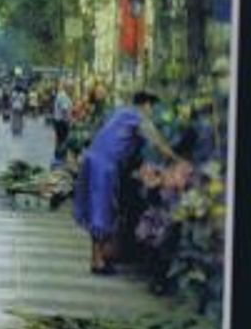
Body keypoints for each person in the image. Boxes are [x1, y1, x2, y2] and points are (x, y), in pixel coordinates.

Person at [73, 91, 186, 274]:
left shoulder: (121, 112)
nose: (153, 112)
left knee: (99, 210)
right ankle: (97, 261)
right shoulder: (136, 115)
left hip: (94, 161)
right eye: (153, 108)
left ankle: (99, 257)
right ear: (147, 104)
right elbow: (157, 141)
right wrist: (178, 159)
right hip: (104, 165)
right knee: (101, 210)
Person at [51, 83, 73, 165]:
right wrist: (68, 119)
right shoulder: (63, 97)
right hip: (62, 122)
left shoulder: (60, 95)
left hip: (58, 121)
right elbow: (64, 109)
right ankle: (60, 158)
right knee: (63, 140)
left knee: (59, 140)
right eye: (71, 88)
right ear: (67, 88)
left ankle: (58, 156)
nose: (71, 90)